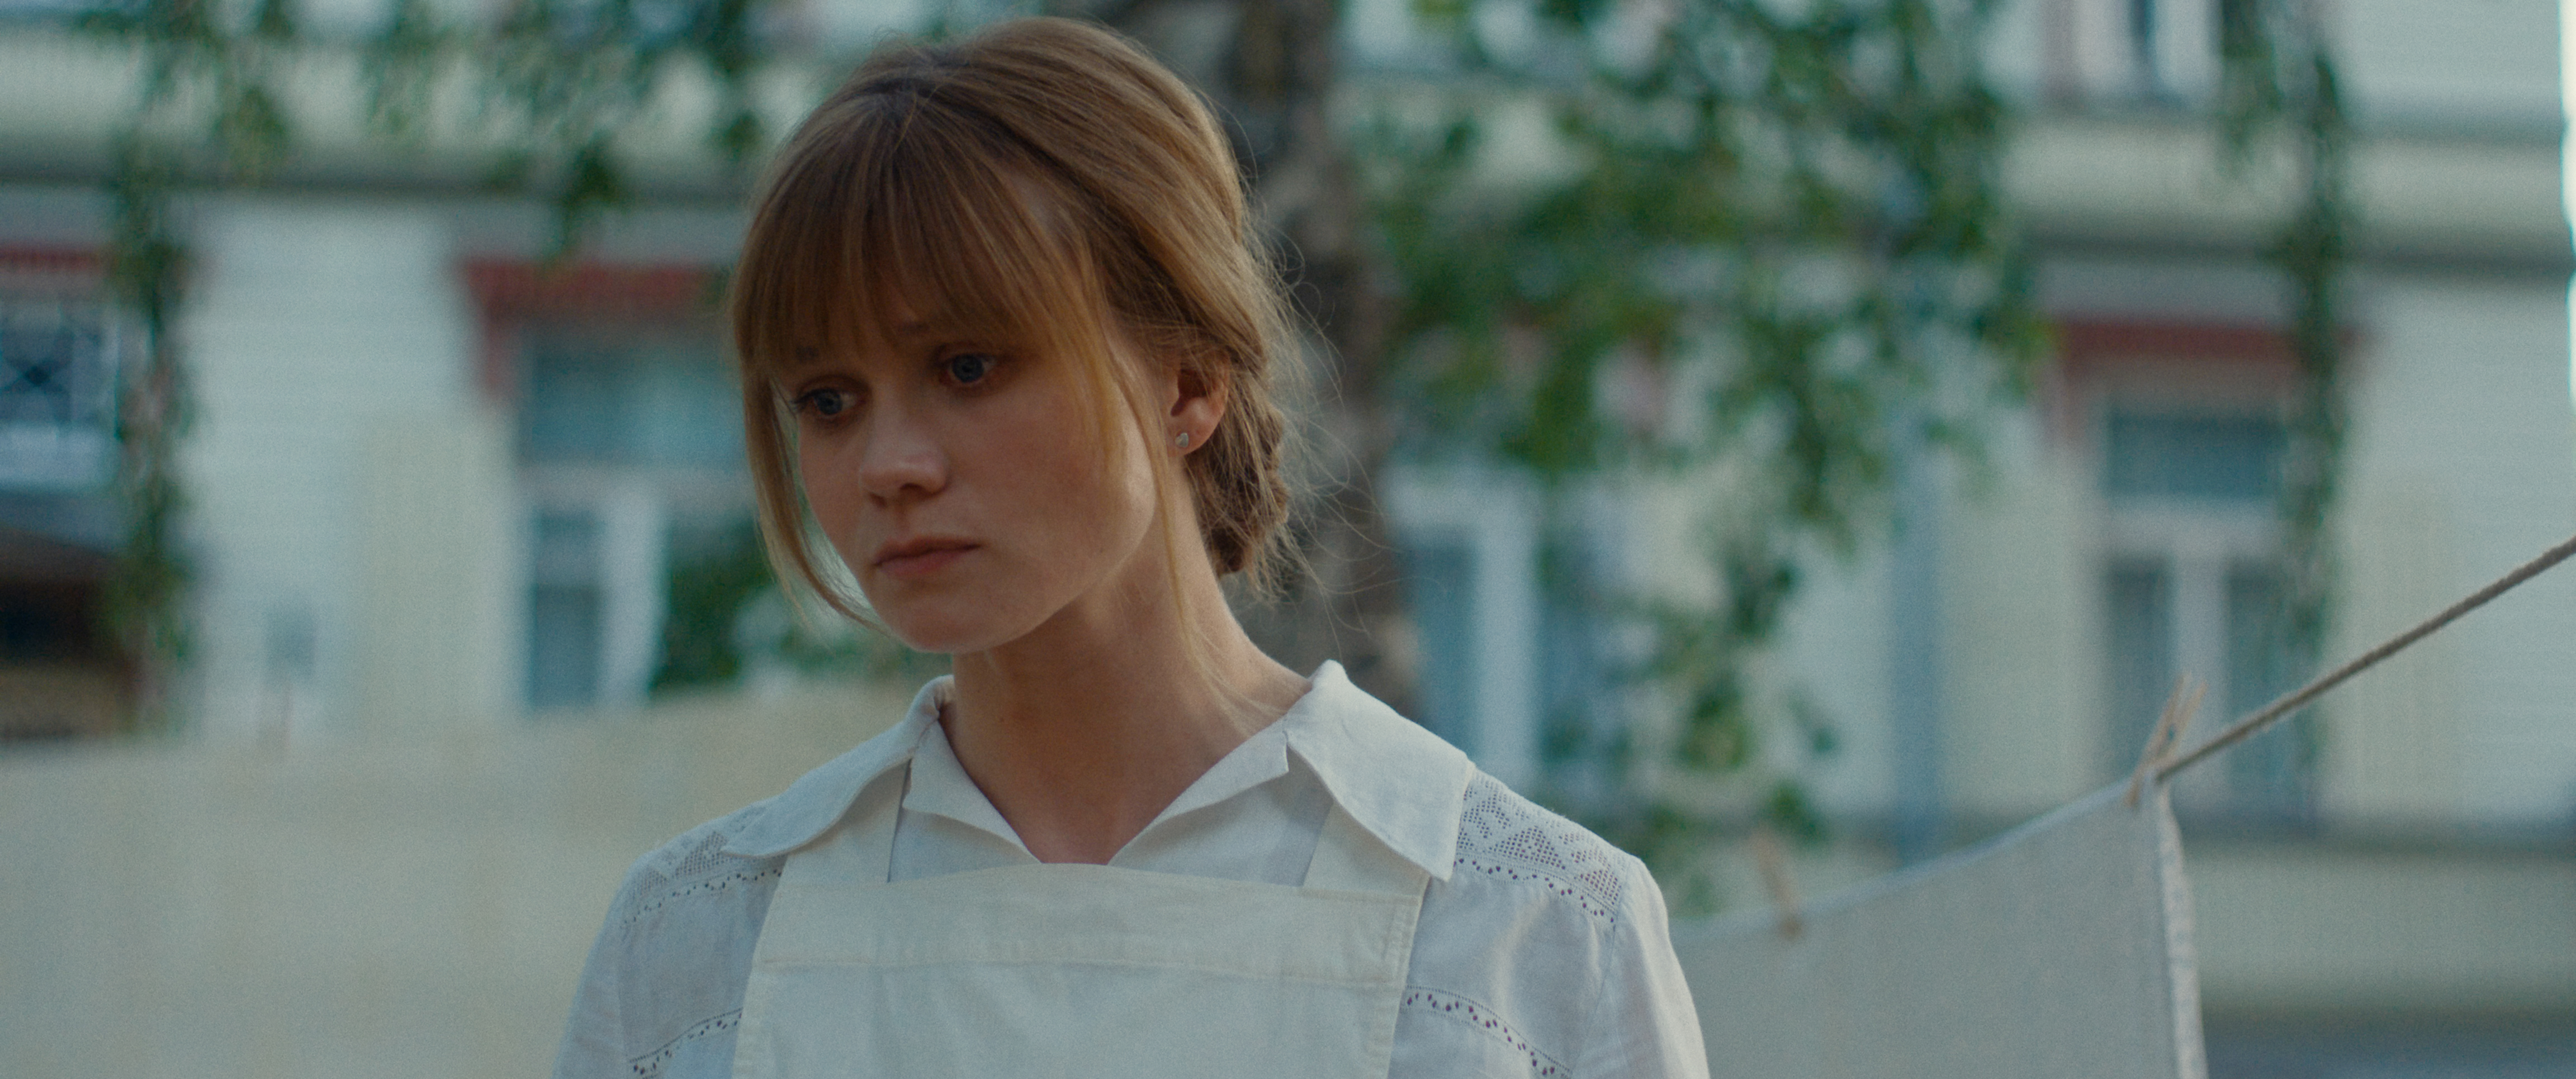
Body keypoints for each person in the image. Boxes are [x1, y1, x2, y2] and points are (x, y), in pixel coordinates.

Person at [552, 17, 1708, 1079]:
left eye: (967, 368)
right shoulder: (697, 946)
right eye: (828, 399)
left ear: (1187, 383)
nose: (888, 464)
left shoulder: (1529, 935)